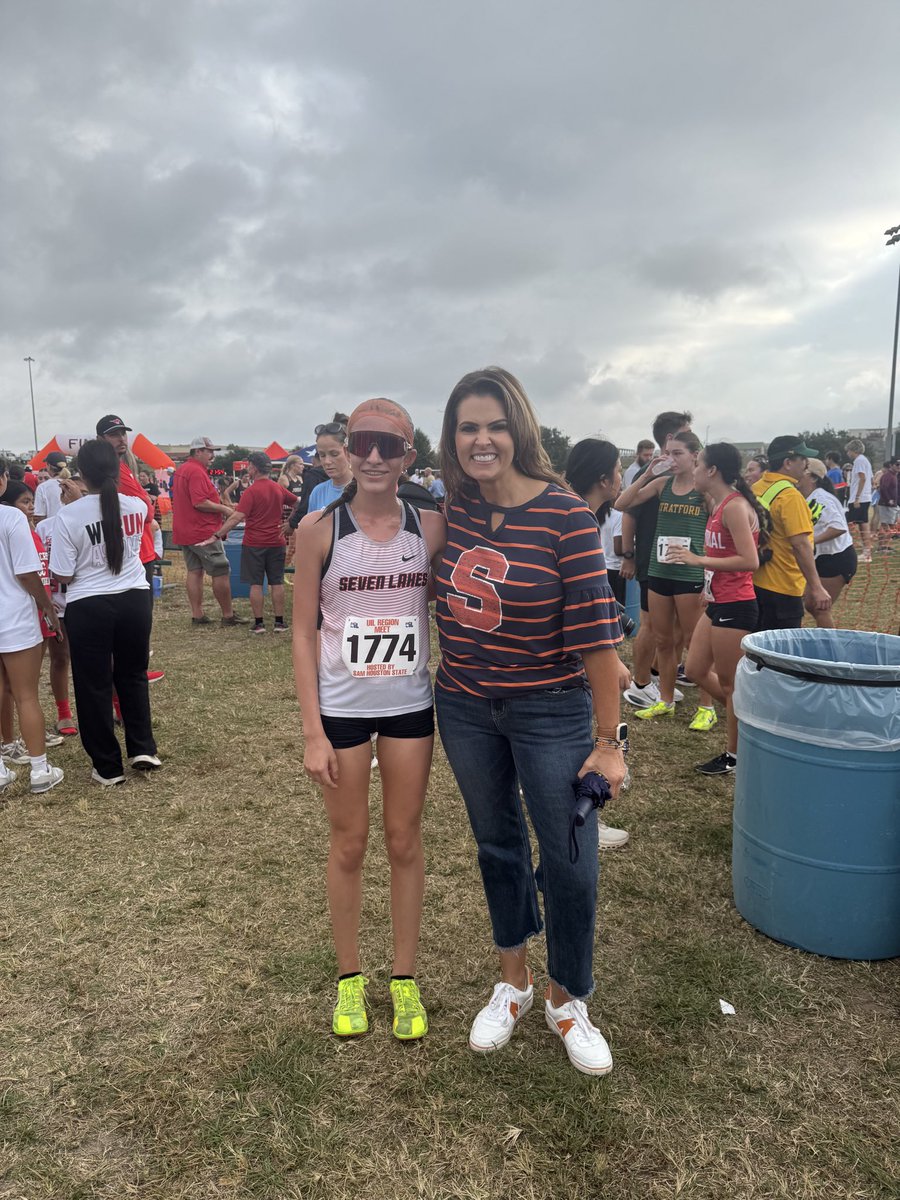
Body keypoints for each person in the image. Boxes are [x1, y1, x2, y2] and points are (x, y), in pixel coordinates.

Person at [435, 366, 625, 1076]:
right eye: (467, 427)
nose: (482, 440)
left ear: (520, 428)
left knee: (572, 860)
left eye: (494, 425)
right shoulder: (454, 506)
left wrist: (609, 743)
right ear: (452, 438)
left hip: (551, 710)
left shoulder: (567, 516)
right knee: (497, 845)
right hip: (463, 704)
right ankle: (512, 981)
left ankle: (568, 996)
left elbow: (600, 647)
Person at [293, 398, 444, 1042]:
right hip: (343, 710)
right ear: (346, 452)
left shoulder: (431, 526)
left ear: (409, 455)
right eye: (363, 444)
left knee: (404, 840)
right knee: (349, 843)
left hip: (410, 707)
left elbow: (447, 608)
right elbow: (301, 633)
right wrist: (312, 731)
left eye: (390, 445)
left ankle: (403, 979)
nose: (375, 456)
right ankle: (350, 979)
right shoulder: (318, 530)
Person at [49, 440, 160, 785]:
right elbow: (109, 513)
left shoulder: (68, 516)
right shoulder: (135, 507)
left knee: (93, 684)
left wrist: (76, 505)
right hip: (134, 599)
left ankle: (108, 766)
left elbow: (63, 574)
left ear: (81, 473)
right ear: (116, 469)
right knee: (133, 674)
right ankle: (143, 747)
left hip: (88, 604)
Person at [666, 444, 766, 775]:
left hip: (737, 605)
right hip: (718, 602)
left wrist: (699, 560)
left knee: (730, 685)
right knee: (694, 670)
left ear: (712, 471)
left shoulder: (734, 506)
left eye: (698, 466)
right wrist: (709, 586)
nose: (692, 471)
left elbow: (750, 561)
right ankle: (750, 718)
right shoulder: (718, 504)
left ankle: (735, 755)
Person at [616, 431, 717, 730]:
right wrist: (647, 473)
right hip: (660, 572)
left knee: (692, 641)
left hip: (689, 575)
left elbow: (720, 525)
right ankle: (666, 700)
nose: (670, 459)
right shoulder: (661, 485)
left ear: (694, 456)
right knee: (663, 640)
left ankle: (707, 706)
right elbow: (621, 503)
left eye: (677, 454)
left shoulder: (704, 492)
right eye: (667, 453)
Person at [565, 437, 632, 850]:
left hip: (583, 648)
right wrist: (606, 658)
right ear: (604, 478)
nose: (622, 478)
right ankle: (587, 807)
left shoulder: (586, 514)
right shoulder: (577, 520)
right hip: (574, 655)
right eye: (619, 470)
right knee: (585, 739)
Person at [618, 411, 691, 710]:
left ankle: (662, 677)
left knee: (672, 628)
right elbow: (626, 513)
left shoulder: (684, 470)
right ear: (671, 438)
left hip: (678, 562)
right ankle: (640, 683)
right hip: (652, 559)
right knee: (650, 625)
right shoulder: (651, 472)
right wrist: (629, 556)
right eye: (687, 431)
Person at [0, 457, 64, 794]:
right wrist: (48, 609)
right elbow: (27, 572)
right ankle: (40, 770)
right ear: (3, 480)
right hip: (13, 617)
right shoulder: (10, 517)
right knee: (26, 696)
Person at [2, 481, 78, 744]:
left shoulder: (34, 531)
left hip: (40, 607)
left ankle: (21, 736)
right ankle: (17, 741)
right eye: (24, 502)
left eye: (32, 500)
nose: (31, 506)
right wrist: (46, 605)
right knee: (21, 687)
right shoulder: (14, 526)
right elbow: (25, 574)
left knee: (25, 685)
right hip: (27, 611)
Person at [97, 414, 165, 683]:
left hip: (141, 549)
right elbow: (146, 511)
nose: (121, 438)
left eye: (123, 433)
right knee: (137, 620)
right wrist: (146, 502)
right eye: (114, 434)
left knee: (141, 618)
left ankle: (137, 667)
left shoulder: (123, 466)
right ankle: (134, 671)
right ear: (102, 439)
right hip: (135, 552)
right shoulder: (113, 469)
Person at [751, 437, 831, 630]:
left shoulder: (756, 488)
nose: (806, 464)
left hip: (754, 582)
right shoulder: (790, 497)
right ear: (787, 463)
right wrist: (816, 587)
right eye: (802, 459)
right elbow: (800, 544)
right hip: (783, 587)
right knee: (780, 655)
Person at [215, 452, 296, 634]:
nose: (247, 469)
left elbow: (237, 517)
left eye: (249, 466)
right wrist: (290, 523)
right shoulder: (277, 488)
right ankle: (279, 622)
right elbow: (297, 503)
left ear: (254, 468)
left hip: (254, 543)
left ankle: (259, 623)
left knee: (256, 584)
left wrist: (217, 534)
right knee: (277, 582)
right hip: (276, 542)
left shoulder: (251, 491)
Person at [170, 437, 248, 627]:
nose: (212, 455)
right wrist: (225, 510)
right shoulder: (196, 472)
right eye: (209, 451)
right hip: (202, 531)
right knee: (220, 571)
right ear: (197, 452)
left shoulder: (183, 470)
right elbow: (200, 502)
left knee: (194, 571)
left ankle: (198, 615)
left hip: (185, 530)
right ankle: (228, 615)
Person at [36, 475, 89, 736]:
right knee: (60, 657)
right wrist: (45, 602)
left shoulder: (90, 520)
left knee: (105, 658)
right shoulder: (44, 527)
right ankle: (64, 713)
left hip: (88, 599)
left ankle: (115, 706)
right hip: (58, 603)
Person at [796, 459, 856, 626]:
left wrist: (810, 542)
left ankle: (830, 649)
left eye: (803, 472)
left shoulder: (822, 498)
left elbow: (838, 527)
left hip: (837, 558)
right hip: (822, 558)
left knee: (819, 607)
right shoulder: (806, 498)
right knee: (810, 604)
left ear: (813, 478)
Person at [307, 421, 354, 512]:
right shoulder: (317, 492)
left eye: (334, 454)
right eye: (322, 455)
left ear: (347, 452)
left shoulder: (364, 489)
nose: (327, 462)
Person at [844, 439, 874, 563]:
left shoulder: (859, 461)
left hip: (859, 498)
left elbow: (863, 478)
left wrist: (857, 497)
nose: (847, 453)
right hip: (864, 497)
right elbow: (871, 480)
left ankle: (866, 552)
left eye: (848, 451)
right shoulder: (865, 460)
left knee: (854, 523)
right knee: (862, 523)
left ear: (853, 450)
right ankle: (866, 551)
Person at [32, 452, 70, 522]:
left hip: (52, 530)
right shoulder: (74, 484)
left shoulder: (42, 487)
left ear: (48, 465)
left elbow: (40, 516)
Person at [875, 460, 898, 550]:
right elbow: (883, 488)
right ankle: (882, 546)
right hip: (886, 505)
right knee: (886, 526)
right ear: (891, 465)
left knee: (888, 526)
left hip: (890, 505)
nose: (899, 466)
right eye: (897, 464)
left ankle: (885, 546)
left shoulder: (893, 475)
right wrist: (889, 500)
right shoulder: (888, 476)